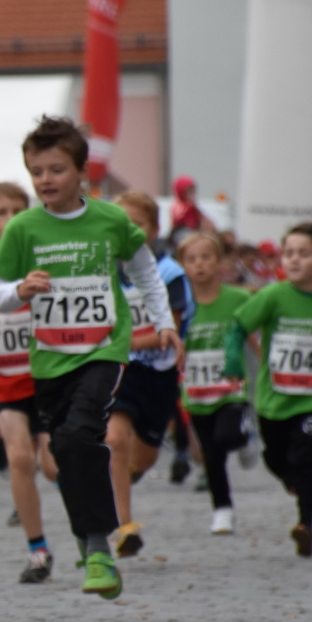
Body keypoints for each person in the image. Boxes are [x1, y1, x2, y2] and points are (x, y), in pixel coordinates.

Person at [0, 116, 180, 602]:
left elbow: (146, 273)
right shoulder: (23, 228)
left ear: (80, 173)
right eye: (36, 172)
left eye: (55, 170)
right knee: (67, 452)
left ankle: (96, 548)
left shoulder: (111, 221)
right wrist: (19, 290)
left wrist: (165, 323)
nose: (45, 180)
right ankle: (90, 539)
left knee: (79, 434)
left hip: (103, 350)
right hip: (50, 360)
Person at [223, 222, 312, 556]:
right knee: (276, 458)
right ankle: (290, 479)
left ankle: (306, 525)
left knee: (311, 456)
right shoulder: (273, 295)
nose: (295, 260)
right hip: (273, 402)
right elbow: (237, 330)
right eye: (289, 253)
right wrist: (233, 362)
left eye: (305, 253)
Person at [0, 181, 58, 583]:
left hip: (47, 379)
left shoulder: (45, 265)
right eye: (1, 212)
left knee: (54, 467)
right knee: (20, 458)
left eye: (18, 211)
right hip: (4, 384)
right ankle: (37, 550)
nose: (10, 220)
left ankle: (91, 529)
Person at [105, 190, 194, 558]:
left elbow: (166, 329)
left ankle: (128, 474)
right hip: (120, 370)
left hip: (157, 373)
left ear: (154, 229)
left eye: (136, 225)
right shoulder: (104, 270)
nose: (127, 232)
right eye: (120, 224)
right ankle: (125, 526)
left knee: (143, 458)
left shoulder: (170, 272)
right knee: (114, 439)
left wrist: (119, 338)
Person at [176, 231, 254, 534]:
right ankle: (223, 509)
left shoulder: (238, 299)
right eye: (191, 259)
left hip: (231, 388)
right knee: (211, 455)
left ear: (220, 262)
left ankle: (245, 437)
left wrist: (266, 366)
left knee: (226, 437)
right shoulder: (180, 306)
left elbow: (254, 334)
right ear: (183, 266)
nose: (199, 265)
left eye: (206, 257)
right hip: (196, 391)